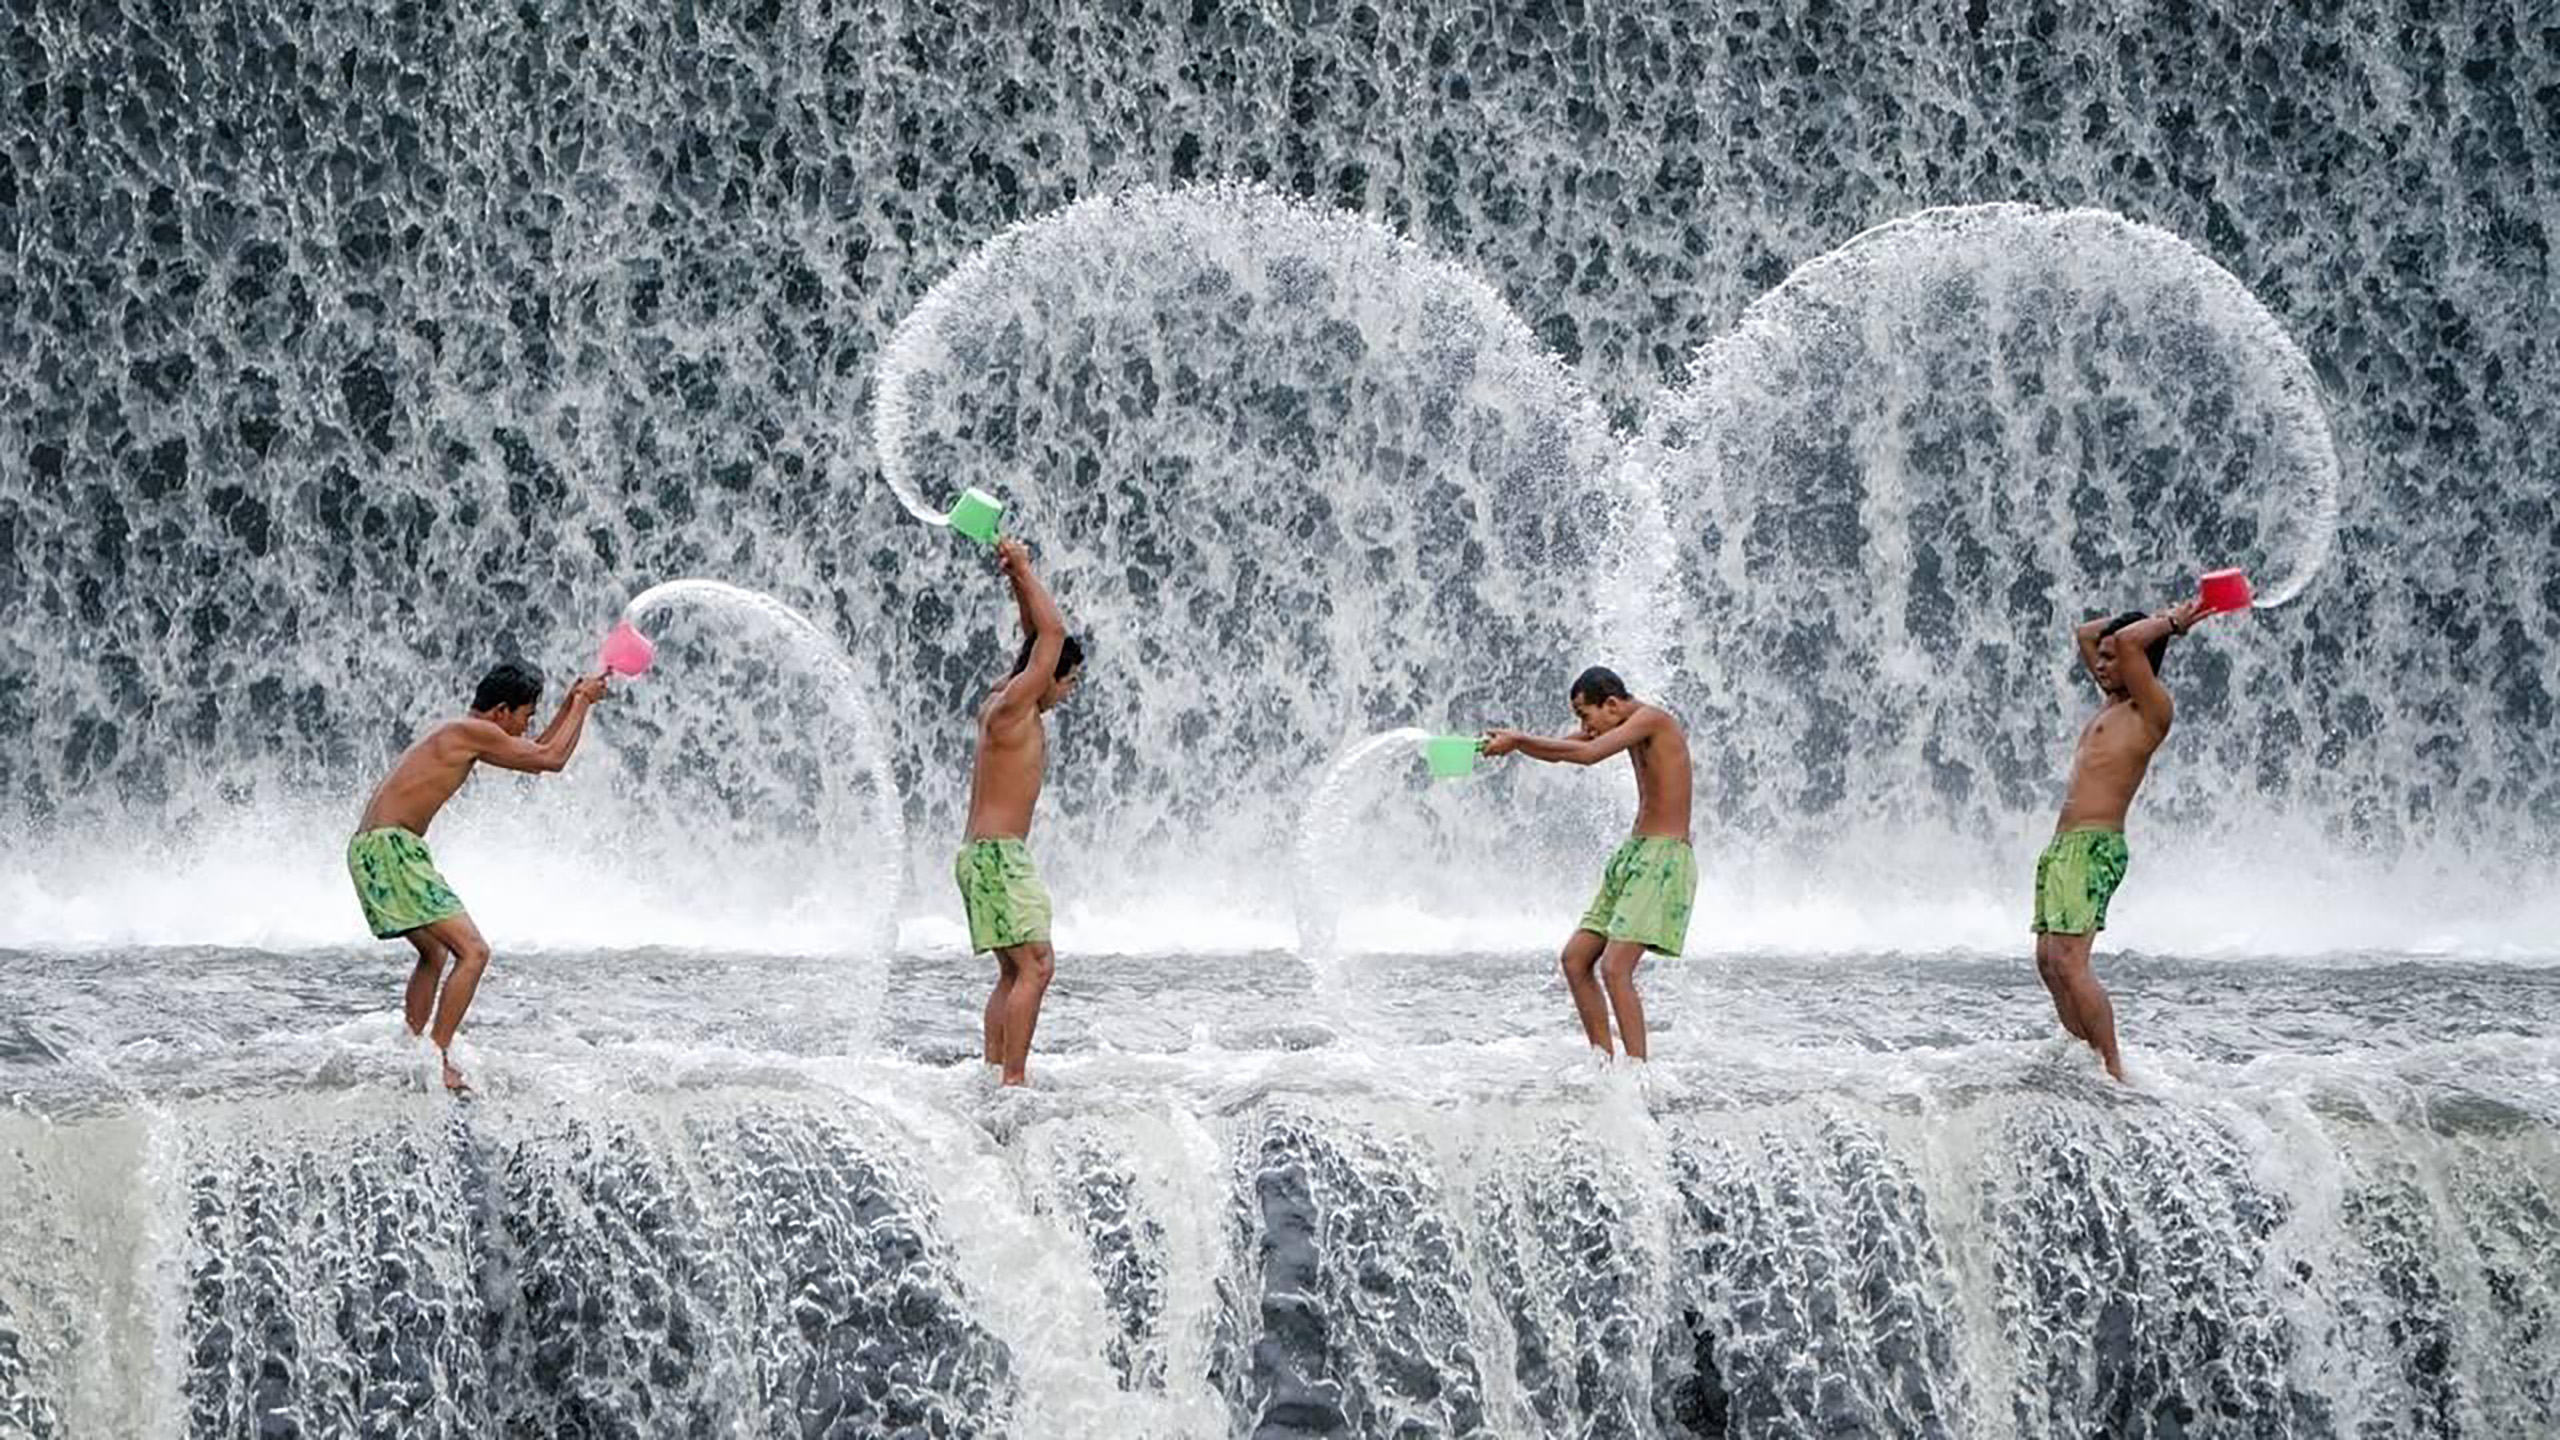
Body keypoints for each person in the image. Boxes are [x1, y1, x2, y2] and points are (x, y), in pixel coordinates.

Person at [348, 661, 609, 1091]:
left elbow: (538, 755)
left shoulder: (464, 732)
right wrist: (583, 702)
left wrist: (568, 704)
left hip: (375, 848)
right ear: (502, 711)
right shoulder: (473, 732)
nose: (527, 727)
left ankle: (414, 1045)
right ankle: (439, 1057)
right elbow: (552, 758)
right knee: (474, 952)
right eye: (526, 716)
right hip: (393, 850)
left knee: (434, 953)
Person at [2033, 597, 2210, 1081]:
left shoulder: (2150, 710)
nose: (2100, 664)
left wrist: (2172, 624)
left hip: (2094, 847)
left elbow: (2129, 642)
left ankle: (2114, 1071)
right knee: (2049, 962)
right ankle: (2082, 1053)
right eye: (2103, 658)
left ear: (2138, 662)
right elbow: (2087, 632)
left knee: (2070, 963)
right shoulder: (2110, 703)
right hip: (2063, 848)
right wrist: (2149, 618)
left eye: (2112, 659)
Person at [1484, 666, 1695, 1062]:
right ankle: (1605, 1064)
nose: (1585, 725)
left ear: (1612, 704)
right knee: (1576, 959)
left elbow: (1586, 754)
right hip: (1634, 854)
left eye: (1585, 715)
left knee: (1616, 968)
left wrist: (1518, 741)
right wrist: (1507, 744)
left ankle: (1637, 1077)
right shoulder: (1623, 722)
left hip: (1662, 856)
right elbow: (1565, 750)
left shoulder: (1653, 719)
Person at [958, 537, 1085, 1086]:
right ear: (1048, 674)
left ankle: (995, 1073)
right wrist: (1029, 568)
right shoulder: (1015, 707)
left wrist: (1016, 579)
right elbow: (1050, 637)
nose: (1068, 692)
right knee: (1036, 965)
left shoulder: (1003, 703)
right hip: (999, 858)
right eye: (1069, 680)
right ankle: (1013, 1082)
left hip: (983, 858)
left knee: (1014, 971)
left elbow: (1037, 638)